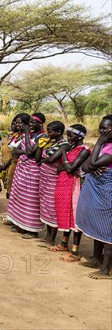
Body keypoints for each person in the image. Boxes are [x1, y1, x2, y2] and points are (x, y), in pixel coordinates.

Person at [76, 115, 112, 280]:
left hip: (107, 191)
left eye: (107, 128)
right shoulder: (104, 145)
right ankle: (96, 258)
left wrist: (97, 144)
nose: (103, 131)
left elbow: (92, 163)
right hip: (97, 191)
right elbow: (86, 165)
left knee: (107, 228)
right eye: (101, 128)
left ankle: (106, 270)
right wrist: (92, 165)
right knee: (97, 223)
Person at [6, 113, 48, 239]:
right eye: (29, 122)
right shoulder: (28, 135)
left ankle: (32, 229)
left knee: (31, 199)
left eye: (33, 122)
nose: (30, 124)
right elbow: (16, 151)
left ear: (40, 124)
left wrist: (26, 150)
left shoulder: (43, 137)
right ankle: (21, 225)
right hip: (22, 169)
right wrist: (26, 151)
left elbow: (31, 152)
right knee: (20, 197)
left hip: (33, 172)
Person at [55, 124, 91, 262]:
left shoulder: (84, 150)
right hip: (64, 184)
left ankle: (75, 252)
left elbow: (70, 168)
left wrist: (63, 153)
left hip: (75, 186)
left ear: (80, 136)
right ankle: (64, 244)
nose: (68, 138)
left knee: (75, 217)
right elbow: (59, 169)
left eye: (71, 135)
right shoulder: (72, 149)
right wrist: (66, 163)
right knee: (66, 214)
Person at [36, 121, 68, 247]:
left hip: (53, 179)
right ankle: (47, 237)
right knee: (45, 207)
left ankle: (52, 239)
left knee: (52, 208)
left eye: (50, 132)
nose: (48, 134)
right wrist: (40, 146)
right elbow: (39, 159)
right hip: (45, 180)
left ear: (59, 132)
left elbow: (51, 159)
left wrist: (44, 160)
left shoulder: (64, 145)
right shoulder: (52, 143)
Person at [0, 114, 24, 200]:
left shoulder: (23, 137)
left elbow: (15, 154)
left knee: (13, 189)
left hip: (14, 165)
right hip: (6, 163)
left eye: (16, 124)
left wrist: (5, 166)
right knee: (7, 186)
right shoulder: (12, 136)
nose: (14, 126)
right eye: (13, 124)